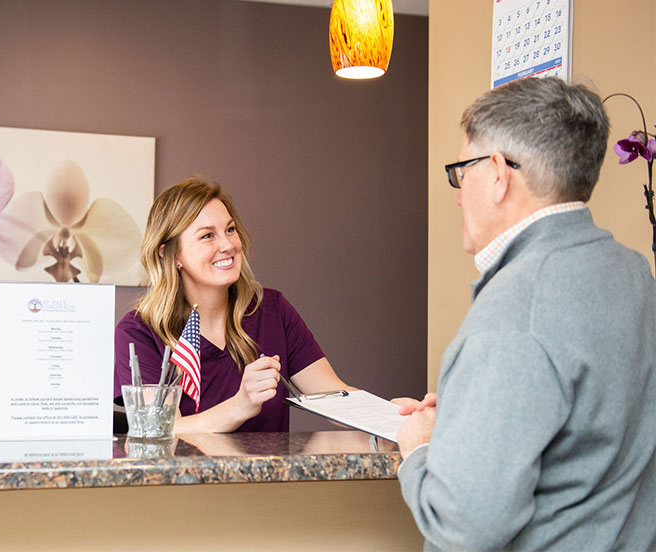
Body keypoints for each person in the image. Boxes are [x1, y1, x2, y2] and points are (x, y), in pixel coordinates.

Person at [393, 77, 656, 551]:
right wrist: (470, 410)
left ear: (497, 173)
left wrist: (420, 449)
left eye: (461, 172)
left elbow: (465, 526)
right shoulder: (635, 274)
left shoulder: (516, 310)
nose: (457, 194)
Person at [114, 177, 349, 432]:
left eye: (230, 229)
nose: (228, 245)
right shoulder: (138, 332)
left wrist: (393, 416)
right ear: (170, 254)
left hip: (271, 472)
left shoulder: (273, 310)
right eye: (207, 236)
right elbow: (155, 429)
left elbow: (334, 398)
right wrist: (239, 405)